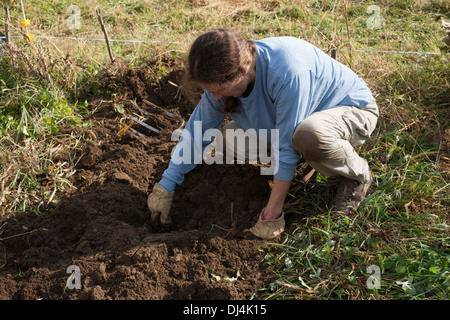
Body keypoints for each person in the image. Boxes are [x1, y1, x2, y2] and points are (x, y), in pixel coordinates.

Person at [147, 28, 379, 239]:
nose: (215, 97)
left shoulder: (286, 73)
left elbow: (285, 146)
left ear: (243, 71)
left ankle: (356, 176)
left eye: (220, 90)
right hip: (292, 121)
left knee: (308, 135)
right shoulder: (225, 74)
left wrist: (272, 212)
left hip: (348, 111)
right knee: (227, 141)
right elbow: (199, 130)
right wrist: (165, 186)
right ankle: (301, 162)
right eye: (210, 91)